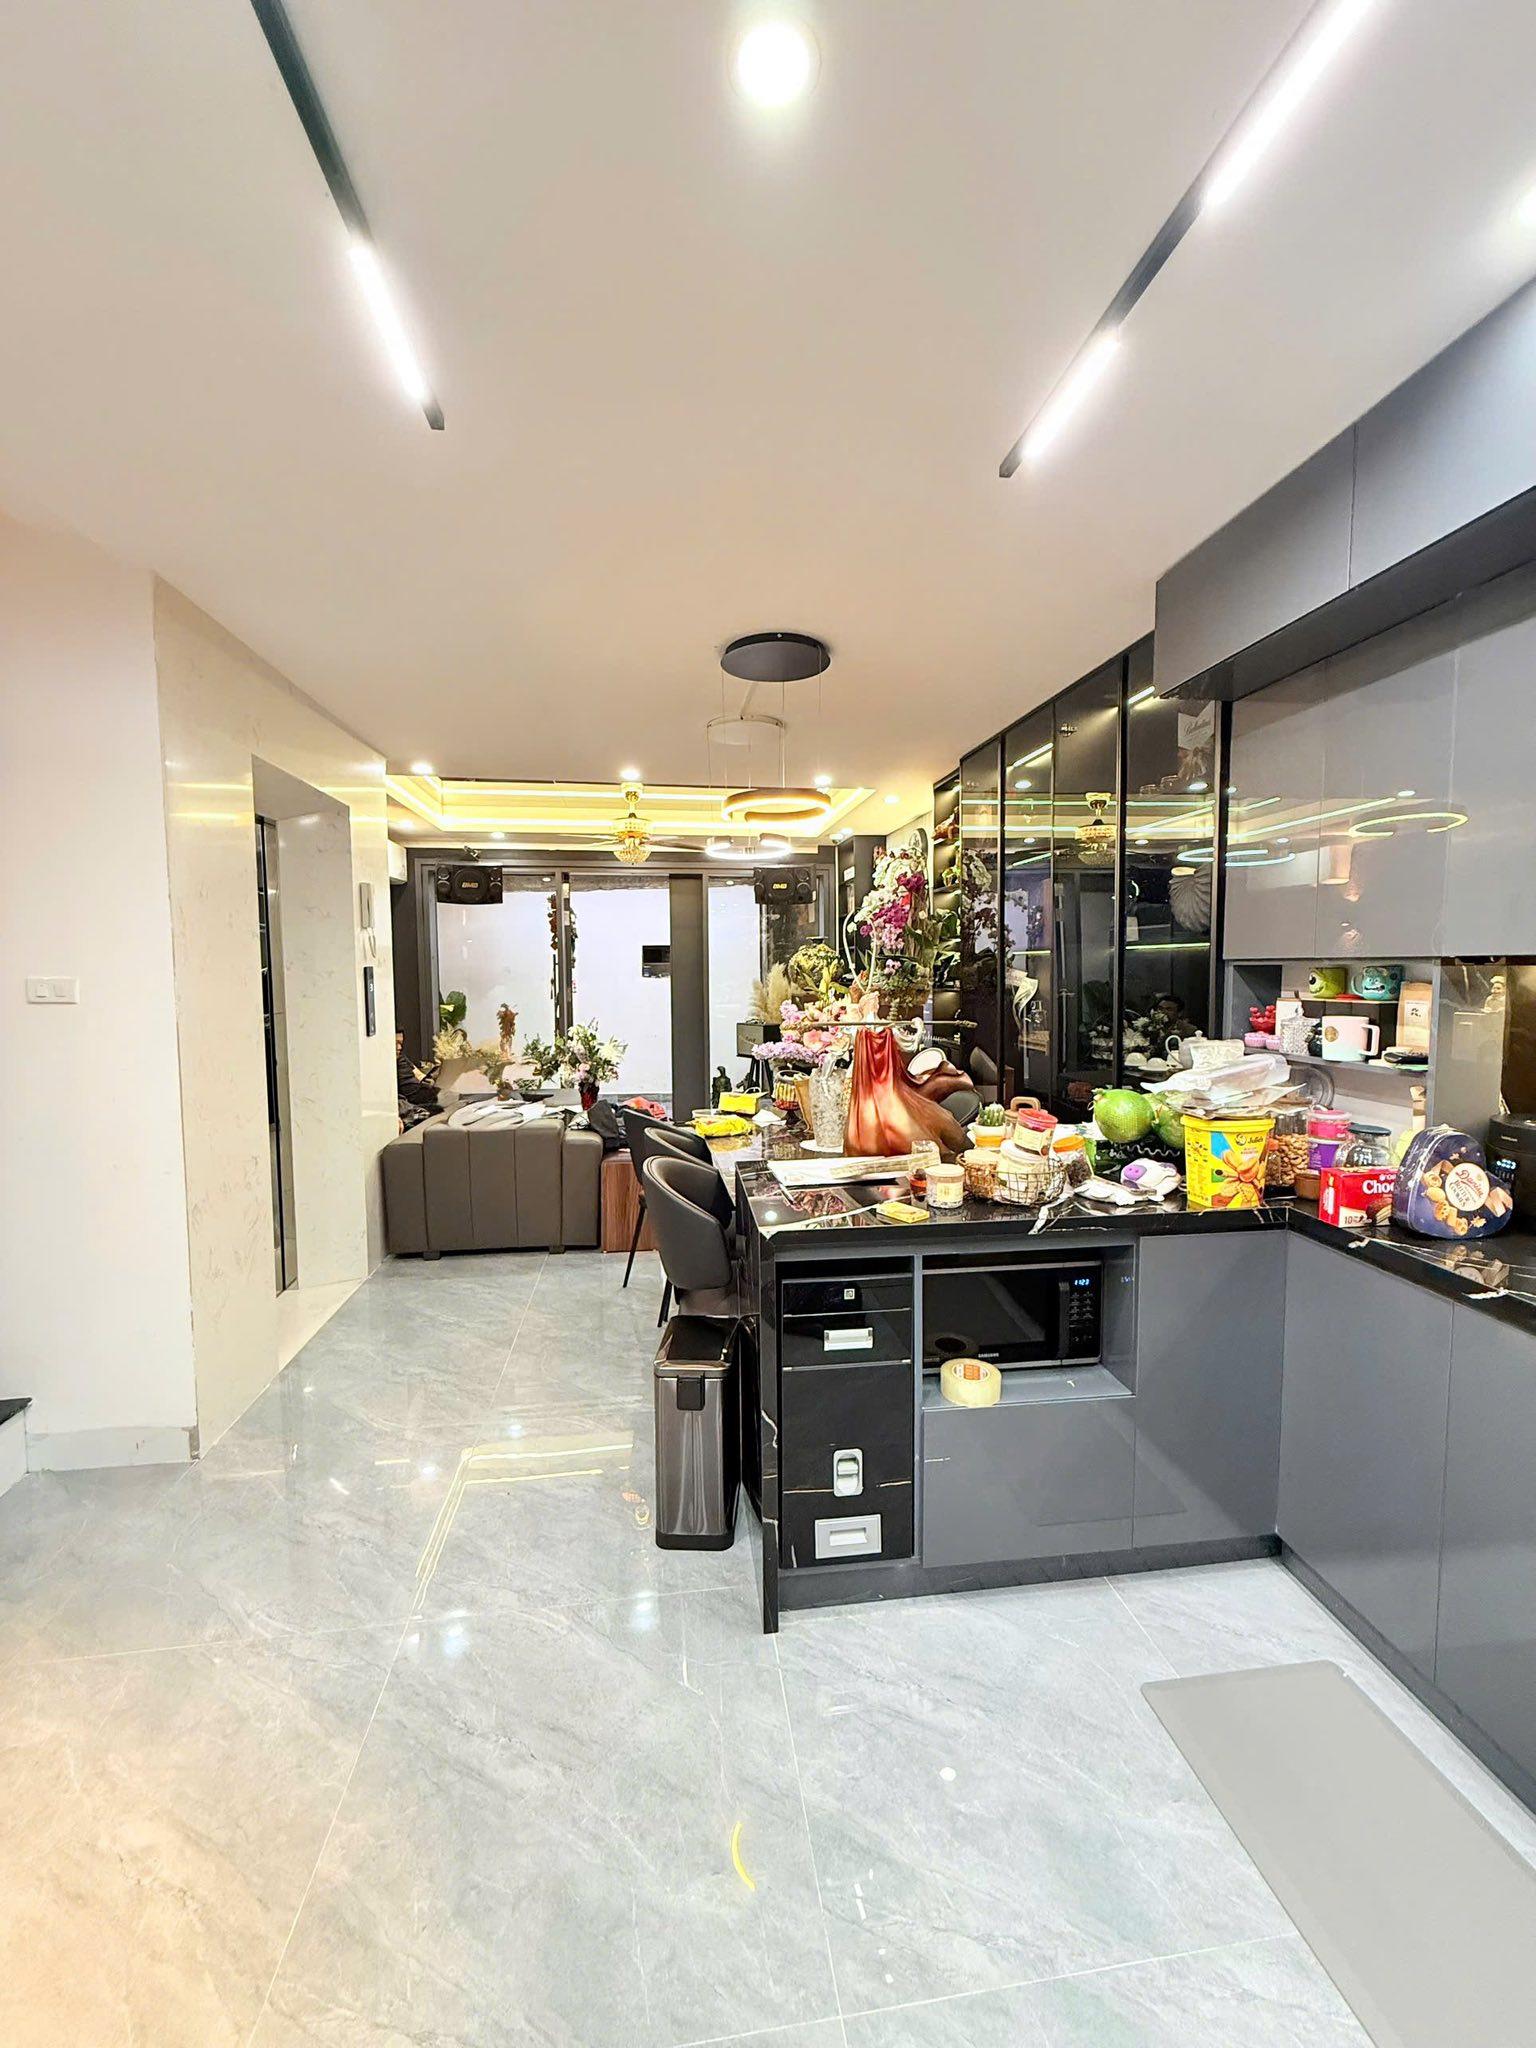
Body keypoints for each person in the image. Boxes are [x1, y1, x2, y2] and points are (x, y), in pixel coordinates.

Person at [396, 1032, 437, 1128]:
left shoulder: (401, 1057)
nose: (399, 1047)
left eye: (401, 1043)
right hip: (410, 1099)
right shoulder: (386, 1064)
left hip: (417, 1095)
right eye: (395, 1043)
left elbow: (420, 1076)